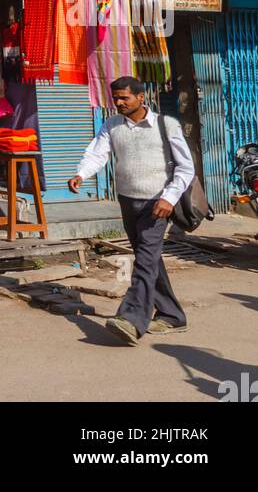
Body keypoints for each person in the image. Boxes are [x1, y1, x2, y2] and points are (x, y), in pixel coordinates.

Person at [68, 76, 195, 345]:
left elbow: (186, 167)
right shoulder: (112, 125)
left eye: (124, 97)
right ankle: (173, 316)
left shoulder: (166, 125)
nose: (119, 103)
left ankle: (131, 318)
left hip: (157, 203)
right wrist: (81, 174)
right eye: (115, 98)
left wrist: (169, 198)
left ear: (141, 97)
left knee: (145, 260)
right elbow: (97, 153)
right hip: (128, 201)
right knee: (149, 258)